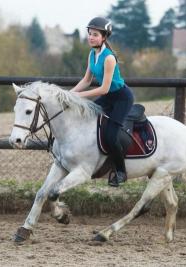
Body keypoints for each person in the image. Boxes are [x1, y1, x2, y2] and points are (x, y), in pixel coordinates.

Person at [71, 17, 134, 187]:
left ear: (104, 37)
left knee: (111, 135)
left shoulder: (109, 58)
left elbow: (104, 89)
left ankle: (121, 172)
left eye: (95, 35)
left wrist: (80, 96)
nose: (91, 37)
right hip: (108, 96)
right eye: (90, 34)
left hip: (121, 98)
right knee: (86, 118)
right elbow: (86, 80)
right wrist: (70, 94)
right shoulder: (92, 54)